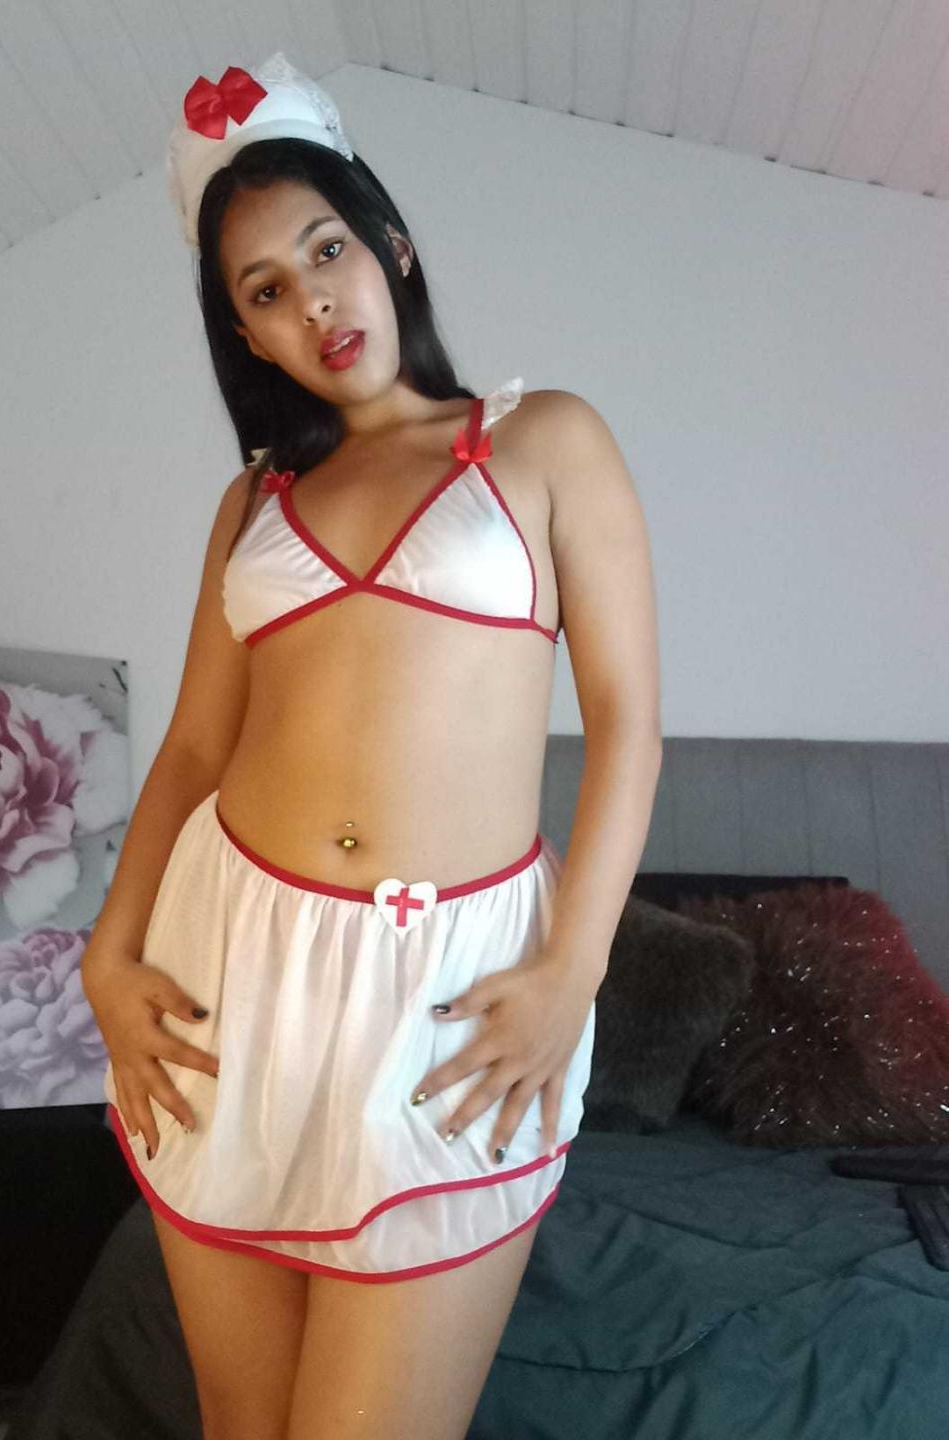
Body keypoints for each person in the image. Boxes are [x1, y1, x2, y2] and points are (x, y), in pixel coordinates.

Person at [81, 50, 662, 1440]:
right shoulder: (252, 503)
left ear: (389, 244)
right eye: (264, 291)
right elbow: (194, 749)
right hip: (229, 971)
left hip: (449, 995)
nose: (313, 302)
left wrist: (573, 972)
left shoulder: (545, 440)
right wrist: (107, 952)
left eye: (326, 249)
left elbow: (630, 725)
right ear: (247, 336)